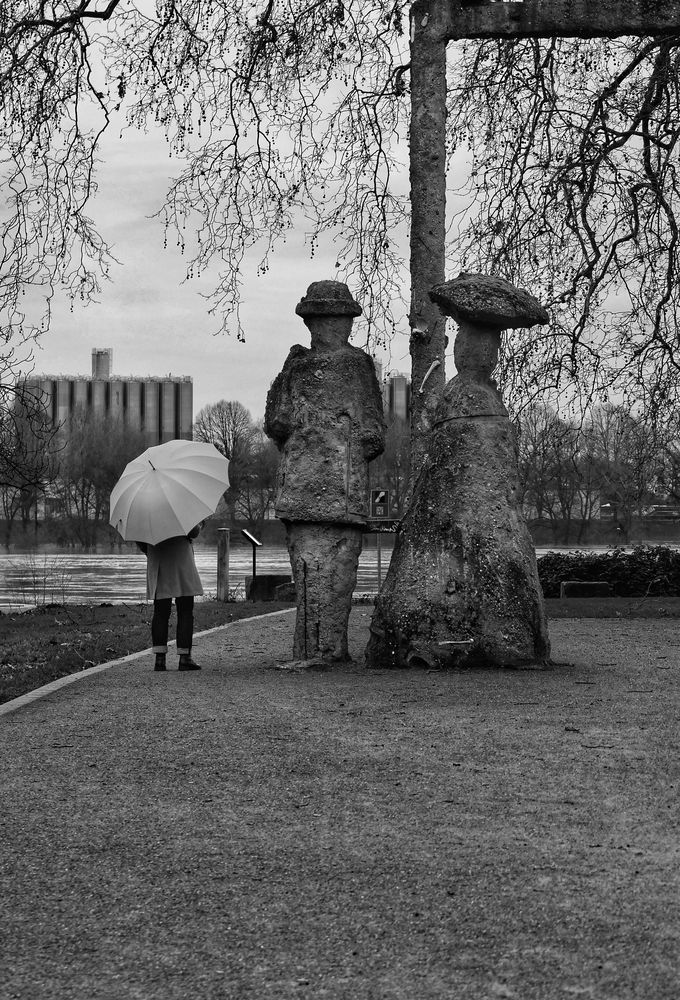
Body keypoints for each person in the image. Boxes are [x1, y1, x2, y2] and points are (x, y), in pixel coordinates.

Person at [137, 523, 204, 671]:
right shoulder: (179, 504)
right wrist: (201, 523)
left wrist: (149, 550)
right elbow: (193, 532)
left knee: (161, 612)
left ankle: (160, 659)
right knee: (185, 610)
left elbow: (140, 539)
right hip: (181, 557)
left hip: (158, 555)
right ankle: (184, 657)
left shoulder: (146, 510)